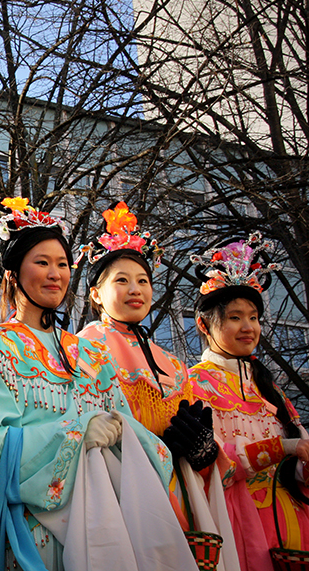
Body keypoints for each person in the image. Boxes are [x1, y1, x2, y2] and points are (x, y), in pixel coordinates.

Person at [0, 197, 196, 571]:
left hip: (103, 519)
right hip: (31, 526)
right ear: (12, 274)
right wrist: (77, 435)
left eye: (62, 264)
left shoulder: (94, 356)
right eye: (42, 263)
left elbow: (127, 429)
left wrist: (144, 440)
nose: (55, 273)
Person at [76, 203, 239, 571]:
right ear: (96, 294)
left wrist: (203, 452)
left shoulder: (175, 363)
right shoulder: (84, 349)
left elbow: (215, 460)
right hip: (124, 496)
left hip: (182, 500)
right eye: (121, 280)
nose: (136, 289)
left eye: (143, 280)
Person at [188, 234, 309, 571]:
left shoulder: (269, 387)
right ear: (203, 324)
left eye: (254, 317)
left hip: (291, 526)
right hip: (235, 521)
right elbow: (208, 465)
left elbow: (300, 452)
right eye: (235, 317)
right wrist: (281, 448)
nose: (248, 327)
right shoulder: (194, 384)